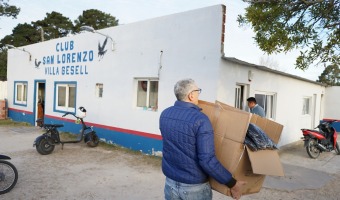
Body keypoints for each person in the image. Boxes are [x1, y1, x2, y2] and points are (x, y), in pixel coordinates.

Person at [160, 79, 246, 200]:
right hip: (194, 188)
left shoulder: (165, 114)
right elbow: (207, 160)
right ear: (191, 95)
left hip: (170, 183)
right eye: (197, 91)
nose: (198, 94)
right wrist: (233, 183)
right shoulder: (200, 119)